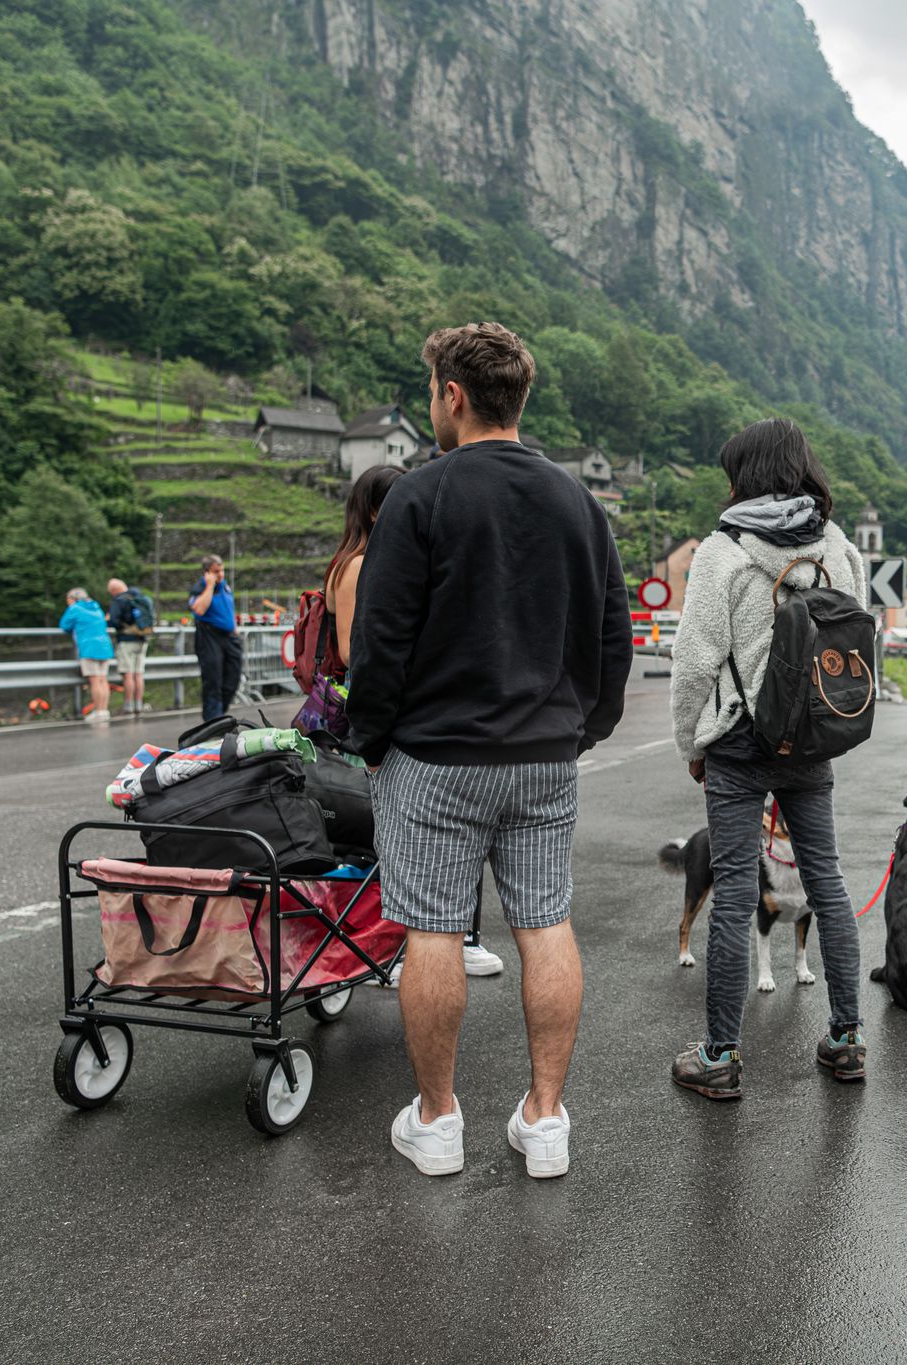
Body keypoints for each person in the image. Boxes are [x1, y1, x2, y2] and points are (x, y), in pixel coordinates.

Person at [347, 322, 631, 1179]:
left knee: (431, 927)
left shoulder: (421, 497)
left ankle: (438, 1121)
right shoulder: (581, 503)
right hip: (545, 756)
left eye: (432, 389)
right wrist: (581, 728)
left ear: (454, 396)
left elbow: (381, 640)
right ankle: (545, 1120)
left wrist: (371, 739)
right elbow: (612, 642)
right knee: (545, 922)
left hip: (436, 755)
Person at [667, 417, 871, 1100]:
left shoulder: (723, 552)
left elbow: (694, 664)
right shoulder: (839, 550)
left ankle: (720, 1055)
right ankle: (846, 1040)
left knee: (732, 894)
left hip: (738, 745)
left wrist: (690, 742)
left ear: (745, 476)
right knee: (828, 882)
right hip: (813, 741)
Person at [322, 465, 507, 981]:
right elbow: (351, 650)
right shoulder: (360, 565)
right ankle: (415, 947)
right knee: (408, 835)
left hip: (394, 708)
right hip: (383, 710)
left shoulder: (374, 557)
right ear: (380, 508)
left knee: (417, 833)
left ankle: (433, 942)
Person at [188, 555, 241, 723]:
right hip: (209, 637)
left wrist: (234, 628)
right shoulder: (200, 588)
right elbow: (199, 610)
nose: (221, 574)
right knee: (213, 681)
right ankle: (213, 722)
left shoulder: (226, 587)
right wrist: (209, 585)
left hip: (228, 638)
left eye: (222, 570)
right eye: (216, 572)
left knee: (233, 678)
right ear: (207, 572)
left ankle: (218, 716)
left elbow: (229, 609)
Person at [59, 587, 115, 724]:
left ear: (73, 599)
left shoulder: (75, 608)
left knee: (94, 681)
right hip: (105, 647)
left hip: (89, 647)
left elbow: (64, 625)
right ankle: (104, 710)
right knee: (103, 680)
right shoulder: (96, 607)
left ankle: (98, 711)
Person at [104, 578, 155, 716]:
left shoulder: (119, 600)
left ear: (114, 590)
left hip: (127, 640)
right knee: (138, 674)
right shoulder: (140, 597)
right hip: (142, 639)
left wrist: (109, 621)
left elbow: (114, 621)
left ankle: (128, 706)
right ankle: (139, 704)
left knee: (128, 674)